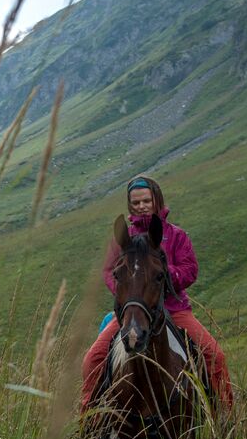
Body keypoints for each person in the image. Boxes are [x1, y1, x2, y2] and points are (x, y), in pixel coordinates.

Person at [80, 175, 233, 419]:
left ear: (156, 200)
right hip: (134, 311)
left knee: (214, 356)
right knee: (93, 358)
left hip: (174, 310)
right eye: (135, 203)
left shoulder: (177, 236)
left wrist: (160, 276)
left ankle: (225, 418)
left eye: (146, 201)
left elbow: (190, 269)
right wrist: (129, 290)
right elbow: (109, 271)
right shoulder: (122, 239)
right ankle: (90, 423)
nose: (141, 206)